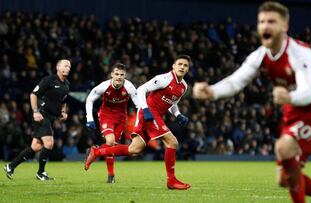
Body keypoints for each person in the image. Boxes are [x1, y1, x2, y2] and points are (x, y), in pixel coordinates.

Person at [192, 2, 311, 203]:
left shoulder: (300, 53)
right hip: (294, 115)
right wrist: (211, 91)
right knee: (284, 179)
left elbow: (309, 93)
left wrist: (289, 97)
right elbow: (236, 81)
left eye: (271, 21)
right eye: (261, 22)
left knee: (283, 147)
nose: (265, 26)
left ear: (285, 26)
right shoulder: (260, 55)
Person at [84, 55, 191, 190]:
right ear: (173, 66)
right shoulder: (164, 79)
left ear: (188, 69)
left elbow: (172, 103)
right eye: (179, 64)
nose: (182, 67)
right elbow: (141, 89)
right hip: (149, 113)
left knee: (134, 149)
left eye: (185, 65)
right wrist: (145, 110)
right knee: (172, 142)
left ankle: (96, 152)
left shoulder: (184, 86)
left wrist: (178, 114)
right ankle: (171, 180)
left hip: (153, 115)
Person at [4, 59, 71, 181]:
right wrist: (35, 111)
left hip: (51, 118)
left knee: (36, 147)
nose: (68, 68)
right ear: (58, 67)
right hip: (41, 115)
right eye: (65, 65)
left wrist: (63, 112)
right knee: (49, 143)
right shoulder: (49, 80)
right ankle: (41, 173)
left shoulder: (67, 85)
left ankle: (10, 166)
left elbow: (63, 101)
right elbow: (33, 94)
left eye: (69, 67)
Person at [85, 63, 139, 183]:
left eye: (122, 75)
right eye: (116, 74)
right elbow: (89, 99)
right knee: (110, 141)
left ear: (125, 75)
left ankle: (104, 166)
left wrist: (139, 122)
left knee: (112, 147)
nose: (119, 77)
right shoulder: (104, 86)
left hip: (121, 118)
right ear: (111, 75)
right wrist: (89, 118)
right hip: (106, 115)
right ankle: (108, 170)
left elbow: (138, 105)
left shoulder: (129, 87)